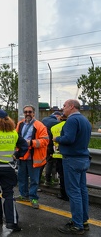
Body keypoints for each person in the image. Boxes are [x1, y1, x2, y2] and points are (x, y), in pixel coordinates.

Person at [54, 99, 91, 235]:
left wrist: (57, 139)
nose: (62, 108)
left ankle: (77, 225)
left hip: (72, 160)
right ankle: (83, 221)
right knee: (82, 191)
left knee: (74, 192)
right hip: (83, 159)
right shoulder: (84, 120)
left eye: (64, 106)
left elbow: (69, 139)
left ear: (71, 106)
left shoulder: (71, 120)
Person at [15, 105, 49, 209]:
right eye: (25, 112)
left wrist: (31, 143)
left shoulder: (40, 126)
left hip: (34, 157)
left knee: (34, 180)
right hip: (22, 156)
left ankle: (33, 197)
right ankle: (23, 195)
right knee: (21, 178)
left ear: (34, 113)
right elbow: (15, 137)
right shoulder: (20, 124)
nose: (27, 114)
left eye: (30, 112)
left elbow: (45, 140)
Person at [51, 114, 69, 201]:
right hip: (67, 154)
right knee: (68, 176)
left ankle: (63, 193)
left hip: (57, 154)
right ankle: (68, 194)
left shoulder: (54, 127)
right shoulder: (69, 126)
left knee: (61, 176)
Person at [41, 111, 62, 186]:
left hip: (42, 144)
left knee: (43, 162)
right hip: (50, 145)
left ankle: (42, 179)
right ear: (57, 116)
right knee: (51, 162)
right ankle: (50, 180)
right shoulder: (56, 123)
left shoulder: (44, 120)